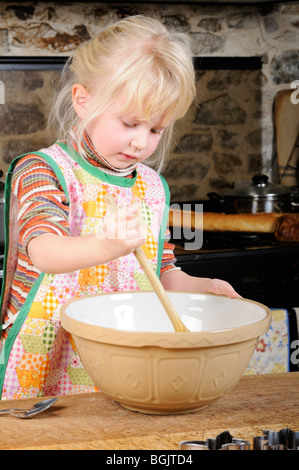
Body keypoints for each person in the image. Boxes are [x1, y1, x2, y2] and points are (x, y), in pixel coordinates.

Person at [0, 15, 238, 400]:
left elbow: (160, 274)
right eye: (129, 123)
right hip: (46, 361)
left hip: (122, 360)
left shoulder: (152, 188)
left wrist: (204, 289)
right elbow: (44, 251)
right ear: (83, 100)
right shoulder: (43, 170)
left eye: (156, 129)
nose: (141, 143)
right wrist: (106, 245)